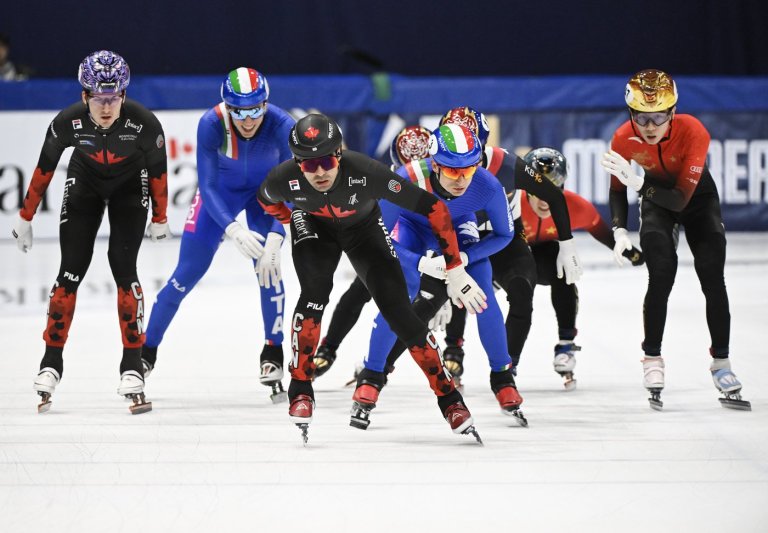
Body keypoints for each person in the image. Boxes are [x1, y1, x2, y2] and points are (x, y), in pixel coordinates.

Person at [258, 113, 487, 444]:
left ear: (338, 154)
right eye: (308, 165)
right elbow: (265, 200)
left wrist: (453, 267)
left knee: (399, 313)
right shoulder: (283, 178)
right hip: (313, 228)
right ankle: (301, 387)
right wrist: (286, 222)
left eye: (325, 161)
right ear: (296, 162)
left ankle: (450, 399)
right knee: (315, 292)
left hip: (362, 232)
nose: (319, 171)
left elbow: (434, 209)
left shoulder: (365, 172)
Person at [11, 50, 168, 414]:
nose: (107, 106)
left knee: (123, 268)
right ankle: (51, 361)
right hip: (85, 183)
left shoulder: (145, 124)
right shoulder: (68, 122)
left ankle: (132, 365)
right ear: (85, 96)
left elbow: (158, 173)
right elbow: (44, 169)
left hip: (131, 185)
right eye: (99, 97)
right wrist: (25, 215)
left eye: (114, 97)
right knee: (71, 269)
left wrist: (160, 217)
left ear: (124, 95)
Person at [390, 107, 582, 388]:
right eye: (454, 164)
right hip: (455, 236)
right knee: (433, 297)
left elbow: (551, 191)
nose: (463, 171)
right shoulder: (427, 171)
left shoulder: (503, 163)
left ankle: (507, 369)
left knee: (520, 293)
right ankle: (390, 365)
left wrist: (566, 242)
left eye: (472, 159)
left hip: (500, 239)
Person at [352, 123, 528, 428]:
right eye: (452, 171)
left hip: (460, 230)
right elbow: (375, 239)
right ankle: (371, 376)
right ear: (434, 164)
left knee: (481, 290)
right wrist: (419, 263)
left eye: (469, 169)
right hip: (413, 228)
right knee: (397, 297)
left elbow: (503, 235)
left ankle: (502, 376)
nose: (461, 180)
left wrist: (464, 260)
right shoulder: (406, 180)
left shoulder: (486, 185)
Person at [141, 67, 294, 403]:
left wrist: (276, 236)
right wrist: (232, 228)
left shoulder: (283, 125)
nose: (248, 119)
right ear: (227, 107)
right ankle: (146, 351)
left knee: (270, 269)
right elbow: (207, 186)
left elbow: (289, 189)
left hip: (266, 195)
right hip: (220, 196)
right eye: (239, 111)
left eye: (255, 110)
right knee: (186, 273)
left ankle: (273, 352)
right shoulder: (211, 123)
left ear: (266, 104)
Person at [600, 69, 749, 410]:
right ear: (630, 115)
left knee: (712, 277)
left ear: (672, 113)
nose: (649, 127)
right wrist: (619, 231)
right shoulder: (623, 138)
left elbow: (681, 198)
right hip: (656, 204)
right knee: (661, 275)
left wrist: (639, 184)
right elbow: (617, 191)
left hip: (697, 201)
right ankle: (652, 358)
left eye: (657, 118)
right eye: (641, 118)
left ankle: (722, 363)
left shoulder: (693, 131)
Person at [312, 125, 432, 378]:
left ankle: (383, 362)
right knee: (362, 289)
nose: (414, 175)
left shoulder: (445, 178)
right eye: (407, 169)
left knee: (427, 303)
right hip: (392, 240)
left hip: (425, 244)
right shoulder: (386, 177)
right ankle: (329, 347)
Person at [519, 147, 644, 390]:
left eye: (552, 187)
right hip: (511, 262)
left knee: (565, 265)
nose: (545, 199)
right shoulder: (509, 202)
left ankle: (566, 343)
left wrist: (631, 253)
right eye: (538, 188)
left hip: (545, 263)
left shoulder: (576, 207)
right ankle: (455, 349)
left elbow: (603, 233)